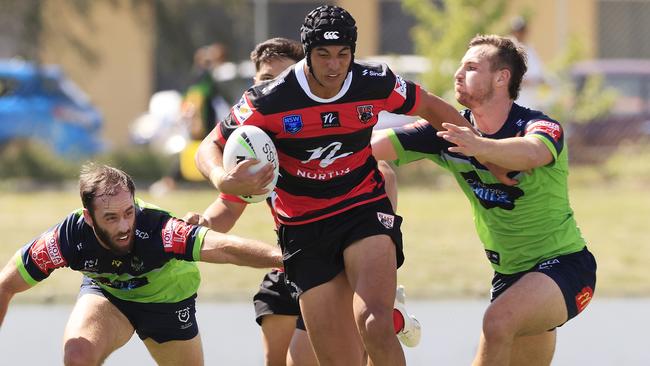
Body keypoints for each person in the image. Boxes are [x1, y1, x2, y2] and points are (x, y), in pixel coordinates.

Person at [195, 5, 475, 365]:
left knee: (375, 325)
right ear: (308, 53)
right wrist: (223, 178)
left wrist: (483, 151)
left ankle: (388, 307)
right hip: (304, 230)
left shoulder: (375, 81)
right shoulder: (268, 100)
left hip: (362, 209)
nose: (334, 65)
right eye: (323, 55)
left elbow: (433, 108)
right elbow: (210, 145)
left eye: (343, 55)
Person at [371, 34, 597, 366]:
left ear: (502, 77)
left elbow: (532, 152)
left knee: (497, 322)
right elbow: (370, 147)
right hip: (508, 277)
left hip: (565, 266)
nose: (458, 74)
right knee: (500, 327)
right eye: (460, 67)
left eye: (472, 67)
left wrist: (480, 146)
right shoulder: (447, 133)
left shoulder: (537, 125)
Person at [0, 163, 282, 365]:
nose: (124, 226)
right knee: (78, 357)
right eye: (111, 218)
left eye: (128, 212)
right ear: (89, 217)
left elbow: (226, 249)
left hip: (168, 301)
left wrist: (285, 260)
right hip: (110, 296)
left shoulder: (159, 228)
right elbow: (5, 286)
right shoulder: (67, 238)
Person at [150, 43, 231, 195]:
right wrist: (195, 122)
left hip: (203, 123)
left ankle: (169, 182)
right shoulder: (203, 77)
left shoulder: (205, 77)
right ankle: (168, 182)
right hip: (202, 124)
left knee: (199, 153)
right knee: (200, 153)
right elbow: (195, 100)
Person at [508, 16, 546, 109]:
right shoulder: (508, 50)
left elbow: (540, 74)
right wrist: (523, 81)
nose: (520, 34)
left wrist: (537, 80)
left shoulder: (530, 50)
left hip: (532, 100)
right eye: (518, 31)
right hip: (515, 100)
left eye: (522, 31)